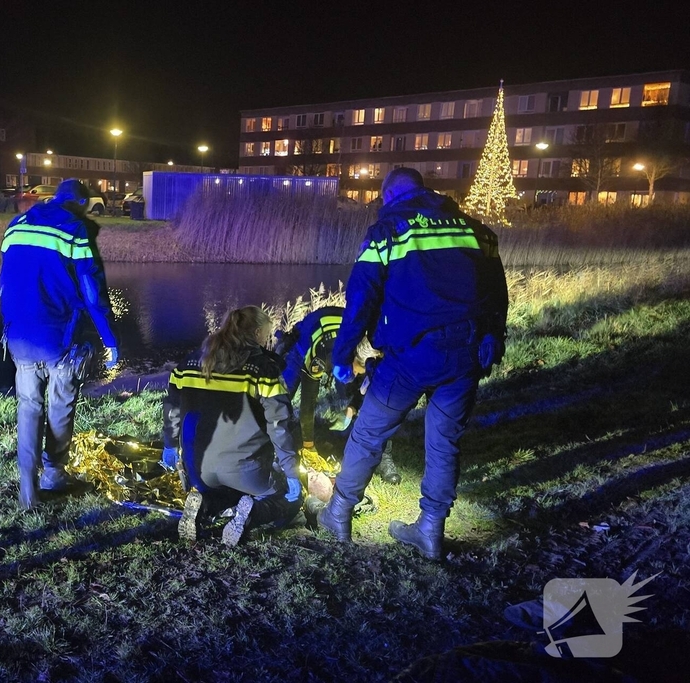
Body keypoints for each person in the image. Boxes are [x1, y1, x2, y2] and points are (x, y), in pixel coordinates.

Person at [315, 167, 508, 559]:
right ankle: (431, 530)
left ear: (389, 197)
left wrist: (342, 355)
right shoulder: (476, 230)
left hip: (409, 358)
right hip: (465, 354)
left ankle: (338, 512)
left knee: (369, 434)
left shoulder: (389, 232)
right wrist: (492, 337)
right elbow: (497, 294)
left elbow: (361, 299)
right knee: (444, 443)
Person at [0, 179, 119, 510]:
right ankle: (53, 472)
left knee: (28, 406)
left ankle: (27, 486)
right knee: (61, 403)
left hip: (17, 335)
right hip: (58, 338)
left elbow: (6, 280)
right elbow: (93, 294)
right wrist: (110, 339)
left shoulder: (16, 224)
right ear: (80, 203)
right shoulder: (75, 229)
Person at [162, 306, 303, 546]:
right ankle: (252, 514)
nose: (267, 340)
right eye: (266, 335)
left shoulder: (189, 362)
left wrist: (169, 445)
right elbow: (280, 425)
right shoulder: (263, 370)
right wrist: (292, 472)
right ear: (257, 333)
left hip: (198, 470)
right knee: (287, 498)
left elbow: (171, 410)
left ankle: (205, 506)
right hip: (246, 470)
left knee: (227, 489)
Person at [275, 306, 401, 484]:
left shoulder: (375, 351)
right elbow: (308, 401)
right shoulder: (320, 354)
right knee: (282, 397)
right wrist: (309, 445)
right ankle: (275, 450)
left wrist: (354, 405)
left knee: (379, 399)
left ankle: (383, 456)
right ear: (351, 360)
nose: (359, 375)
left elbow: (370, 387)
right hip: (307, 340)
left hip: (344, 346)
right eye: (359, 371)